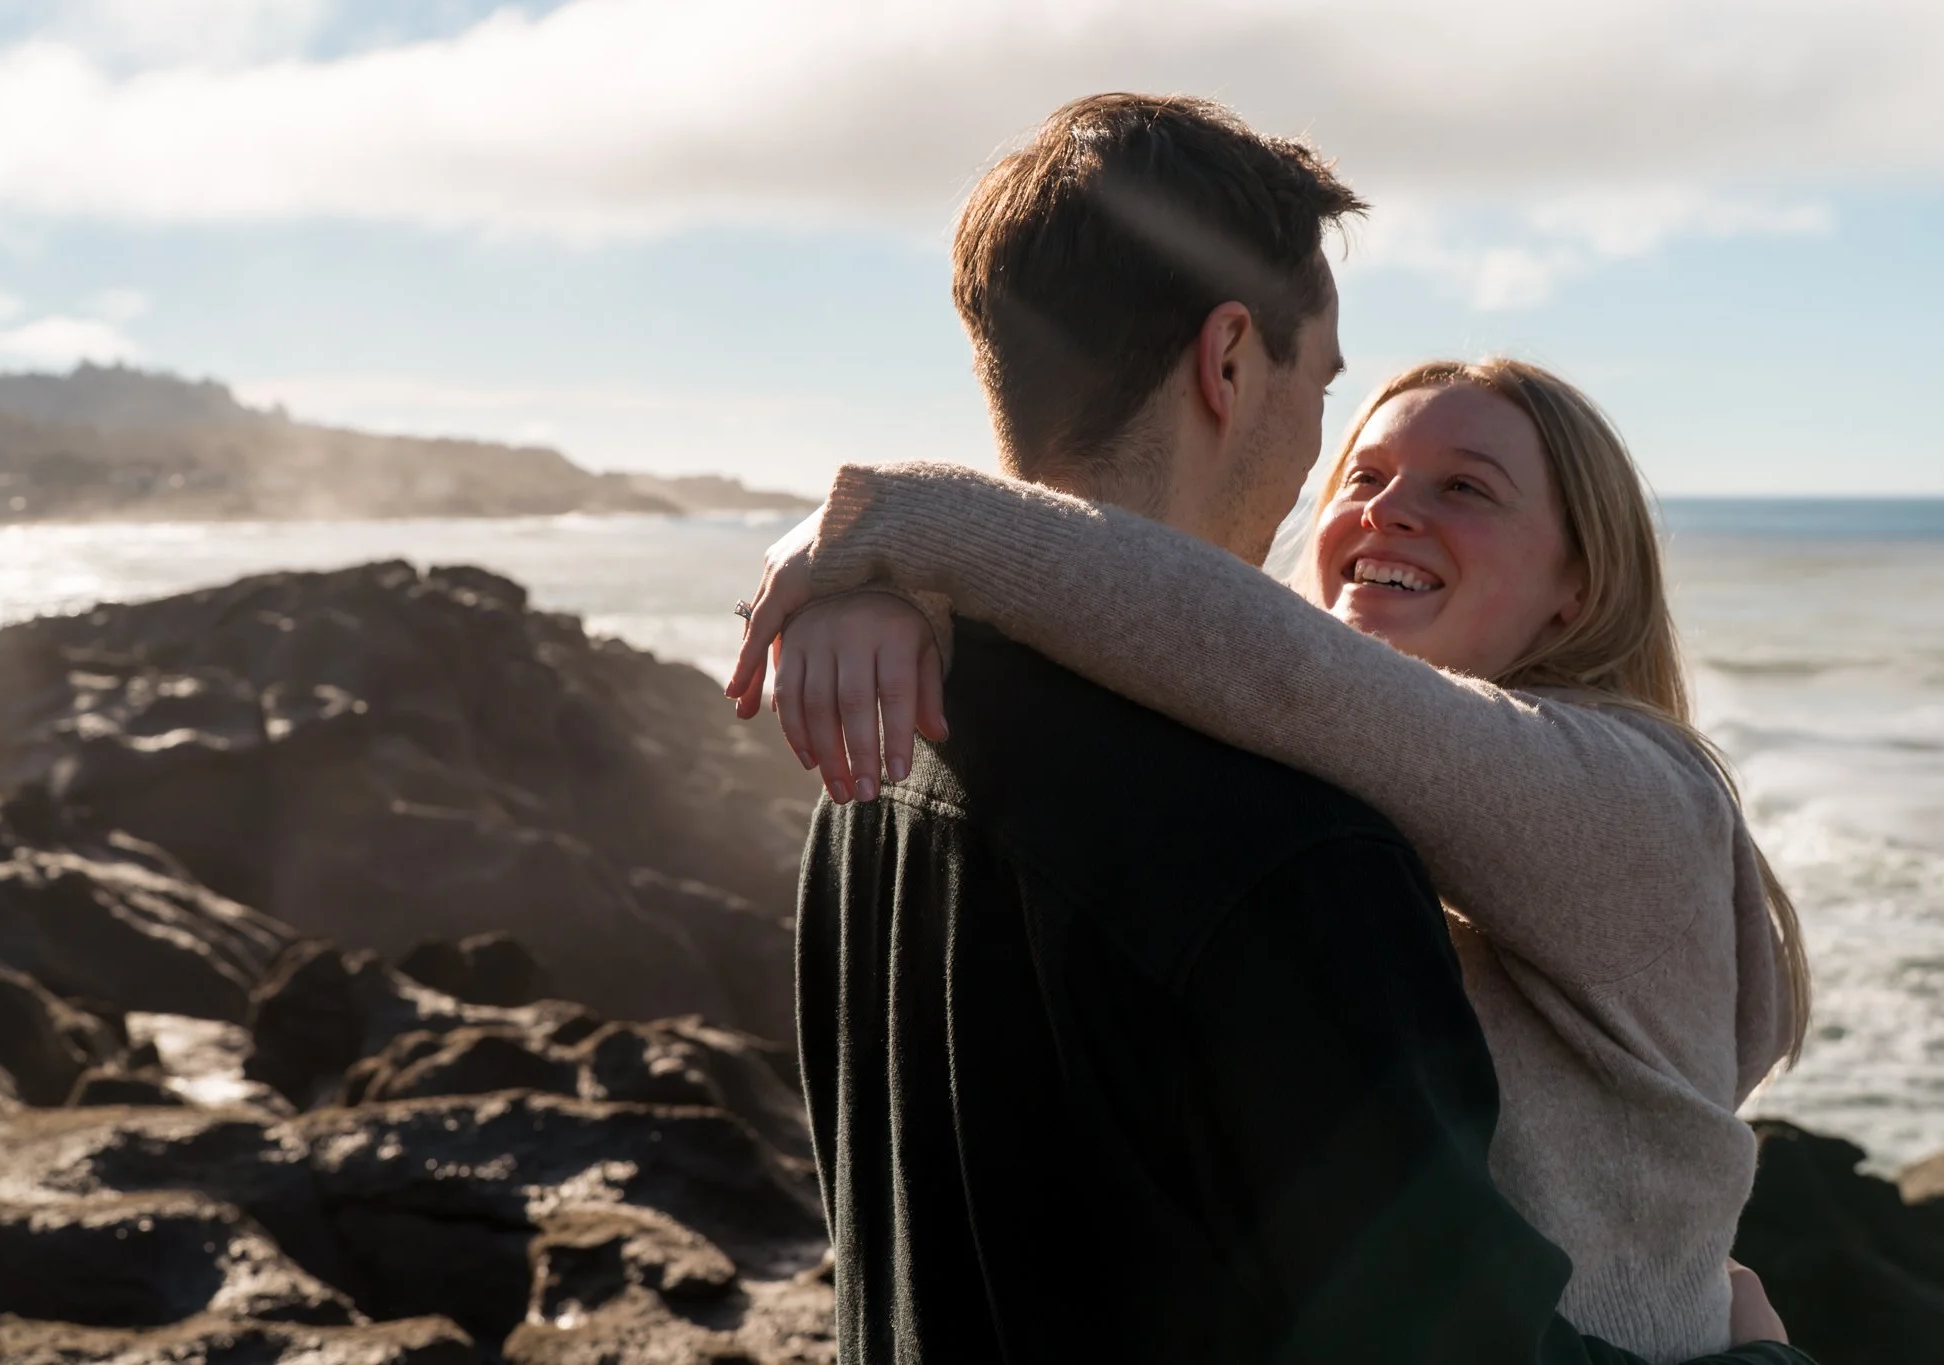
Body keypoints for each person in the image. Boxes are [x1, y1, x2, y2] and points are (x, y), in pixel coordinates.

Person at [730, 93, 1809, 1364]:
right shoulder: (1289, 849)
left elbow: (1272, 666)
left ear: (1583, 580)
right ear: (1229, 363)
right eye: (1357, 459)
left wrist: (892, 538)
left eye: (1465, 490)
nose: (1369, 507)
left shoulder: (889, 743)